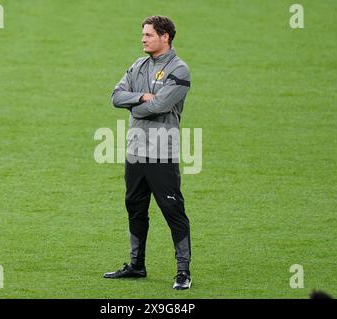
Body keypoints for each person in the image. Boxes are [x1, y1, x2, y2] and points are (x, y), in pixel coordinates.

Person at [103, 15, 192, 290]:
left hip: (161, 153)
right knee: (135, 208)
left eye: (149, 35)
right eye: (143, 34)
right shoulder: (138, 65)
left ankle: (183, 272)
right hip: (135, 152)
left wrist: (135, 106)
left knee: (172, 210)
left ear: (165, 37)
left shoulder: (180, 70)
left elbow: (161, 106)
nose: (143, 39)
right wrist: (141, 97)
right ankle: (136, 265)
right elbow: (115, 96)